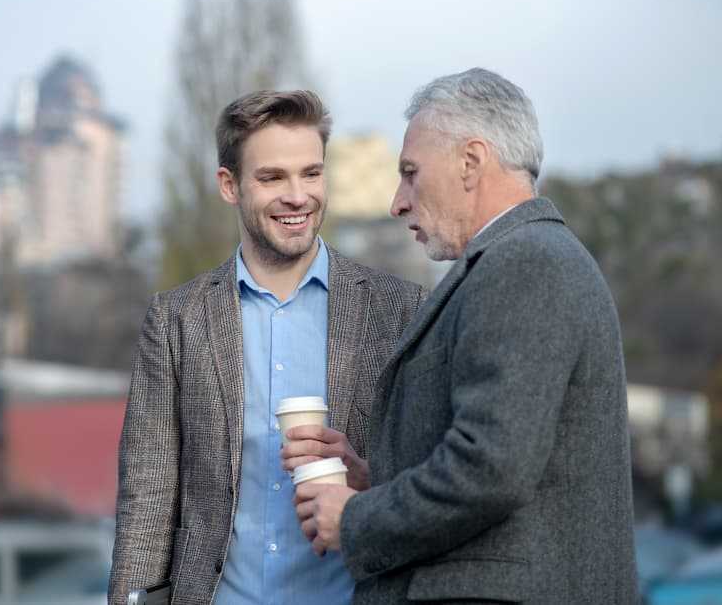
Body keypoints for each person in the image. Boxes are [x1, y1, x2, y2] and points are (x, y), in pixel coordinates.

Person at [295, 69, 639, 604]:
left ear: (471, 162)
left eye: (410, 172)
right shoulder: (516, 261)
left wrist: (359, 517)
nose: (398, 201)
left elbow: (491, 466)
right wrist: (377, 483)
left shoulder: (525, 262)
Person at [108, 89, 425, 605]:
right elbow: (148, 496)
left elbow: (430, 480)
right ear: (229, 186)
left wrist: (369, 482)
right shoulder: (177, 320)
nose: (298, 195)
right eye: (272, 177)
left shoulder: (399, 312)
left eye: (311, 173)